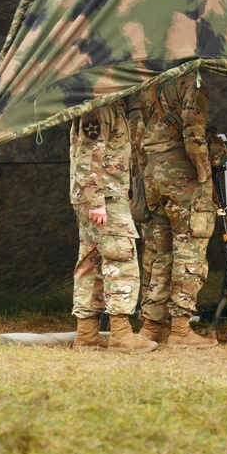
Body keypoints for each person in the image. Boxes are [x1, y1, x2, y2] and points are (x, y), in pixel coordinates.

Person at [136, 72, 219, 347]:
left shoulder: (151, 84)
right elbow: (193, 127)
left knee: (160, 253)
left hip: (153, 169)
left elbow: (138, 131)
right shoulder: (192, 82)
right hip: (183, 172)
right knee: (189, 249)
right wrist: (204, 172)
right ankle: (181, 329)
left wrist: (145, 172)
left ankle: (152, 325)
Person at [69, 99, 157, 353]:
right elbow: (89, 155)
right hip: (104, 198)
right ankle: (120, 333)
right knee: (120, 258)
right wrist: (97, 200)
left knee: (91, 261)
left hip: (98, 196)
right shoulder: (100, 108)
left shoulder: (108, 106)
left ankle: (86, 334)